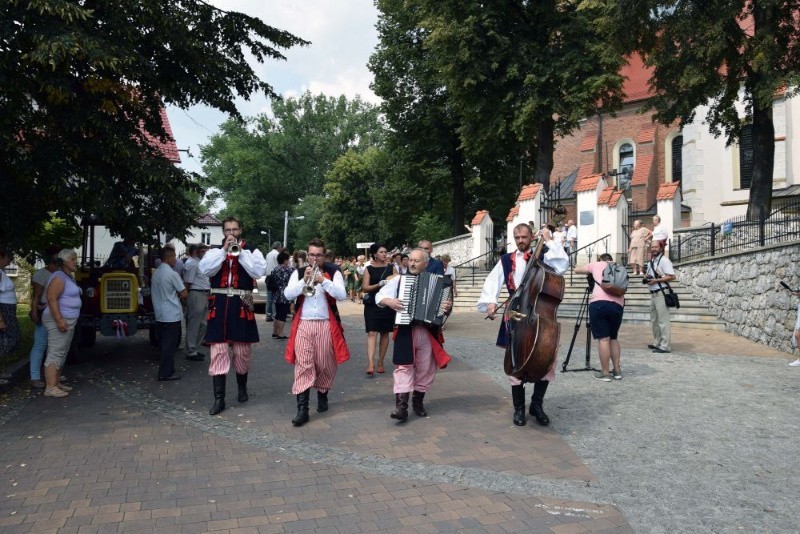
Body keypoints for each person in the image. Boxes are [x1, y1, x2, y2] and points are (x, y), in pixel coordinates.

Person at [477, 223, 569, 426]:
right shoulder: (506, 260)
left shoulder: (544, 255)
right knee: (515, 361)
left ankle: (537, 405)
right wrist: (491, 301)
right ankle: (519, 408)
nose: (520, 240)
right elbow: (493, 281)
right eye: (517, 237)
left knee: (546, 361)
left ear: (532, 237)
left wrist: (550, 240)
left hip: (540, 316)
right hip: (515, 315)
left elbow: (562, 266)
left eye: (524, 237)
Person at [199, 217, 267, 415]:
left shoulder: (252, 251)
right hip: (219, 301)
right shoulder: (213, 251)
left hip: (243, 299)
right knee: (218, 350)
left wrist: (240, 253)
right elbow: (205, 270)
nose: (231, 233)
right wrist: (223, 251)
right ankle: (219, 399)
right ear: (223, 231)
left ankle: (242, 386)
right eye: (228, 230)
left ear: (240, 230)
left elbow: (258, 270)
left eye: (235, 230)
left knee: (242, 351)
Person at [376, 248, 452, 422]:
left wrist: (445, 309)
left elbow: (444, 310)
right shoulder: (399, 280)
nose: (411, 263)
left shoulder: (439, 282)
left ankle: (418, 402)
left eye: (416, 261)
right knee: (403, 367)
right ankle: (401, 407)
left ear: (426, 264)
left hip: (428, 332)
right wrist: (390, 301)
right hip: (405, 330)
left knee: (426, 369)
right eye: (410, 260)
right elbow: (379, 296)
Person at [284, 238, 349, 427]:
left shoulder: (334, 271)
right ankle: (302, 409)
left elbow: (342, 295)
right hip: (304, 323)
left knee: (325, 364)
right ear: (307, 254)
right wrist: (304, 280)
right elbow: (288, 295)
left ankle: (322, 394)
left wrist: (324, 281)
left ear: (324, 255)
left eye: (318, 255)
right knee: (303, 365)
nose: (314, 258)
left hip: (326, 324)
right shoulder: (298, 272)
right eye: (311, 254)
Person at [574, 254, 625, 380]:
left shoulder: (596, 265)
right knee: (613, 338)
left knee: (603, 339)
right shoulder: (619, 267)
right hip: (618, 304)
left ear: (601, 259)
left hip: (599, 304)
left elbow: (577, 270)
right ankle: (617, 371)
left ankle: (605, 372)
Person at [40, 249, 81, 398]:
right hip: (59, 319)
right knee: (56, 352)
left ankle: (56, 383)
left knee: (62, 352)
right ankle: (50, 387)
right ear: (64, 262)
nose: (75, 261)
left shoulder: (67, 277)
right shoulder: (59, 277)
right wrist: (59, 320)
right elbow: (51, 298)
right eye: (72, 259)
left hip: (67, 319)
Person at [151, 247, 188, 381]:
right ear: (169, 258)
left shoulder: (156, 273)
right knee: (169, 345)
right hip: (171, 314)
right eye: (174, 257)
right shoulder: (172, 274)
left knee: (164, 344)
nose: (175, 260)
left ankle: (168, 369)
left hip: (160, 313)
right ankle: (165, 372)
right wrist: (177, 294)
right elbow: (184, 293)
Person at [361, 243, 398, 375]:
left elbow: (398, 284)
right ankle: (370, 363)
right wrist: (379, 284)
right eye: (381, 252)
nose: (384, 254)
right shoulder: (368, 268)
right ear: (375, 254)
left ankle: (381, 362)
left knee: (384, 333)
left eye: (385, 252)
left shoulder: (392, 268)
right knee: (372, 332)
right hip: (372, 303)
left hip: (387, 304)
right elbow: (365, 288)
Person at [27, 247, 60, 389]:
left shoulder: (60, 274)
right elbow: (36, 296)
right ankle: (34, 376)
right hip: (45, 312)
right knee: (40, 345)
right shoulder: (42, 274)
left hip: (57, 312)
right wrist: (34, 312)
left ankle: (53, 375)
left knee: (55, 346)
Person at [645, 240, 676, 353]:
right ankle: (657, 342)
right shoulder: (651, 261)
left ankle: (665, 346)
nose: (653, 249)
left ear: (661, 248)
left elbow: (672, 277)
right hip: (653, 294)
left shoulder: (664, 260)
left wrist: (656, 280)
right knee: (654, 320)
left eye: (656, 247)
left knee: (663, 320)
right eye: (652, 247)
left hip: (661, 293)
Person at [183, 243, 209, 361]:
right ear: (196, 252)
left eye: (205, 250)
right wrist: (185, 297)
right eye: (201, 250)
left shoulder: (202, 263)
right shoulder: (193, 264)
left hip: (204, 293)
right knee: (194, 324)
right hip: (196, 293)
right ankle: (191, 351)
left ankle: (195, 348)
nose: (204, 252)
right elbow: (187, 282)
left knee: (203, 324)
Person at [0, 247, 21, 362]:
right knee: (10, 337)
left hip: (9, 310)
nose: (10, 259)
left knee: (12, 337)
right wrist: (0, 320)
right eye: (8, 256)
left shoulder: (2, 271)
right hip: (4, 310)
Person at [270, 251, 293, 340]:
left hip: (276, 293)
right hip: (284, 294)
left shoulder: (276, 269)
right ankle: (280, 333)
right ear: (285, 260)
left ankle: (275, 332)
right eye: (288, 259)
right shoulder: (288, 269)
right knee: (282, 315)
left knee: (277, 314)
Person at [264, 241, 282, 322]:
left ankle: (268, 315)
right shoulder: (277, 254)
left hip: (268, 276)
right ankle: (275, 315)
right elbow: (279, 265)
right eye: (280, 247)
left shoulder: (268, 254)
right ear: (278, 247)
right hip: (275, 276)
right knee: (275, 296)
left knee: (269, 297)